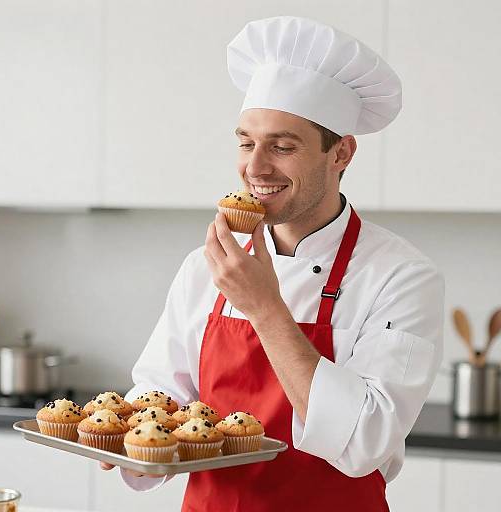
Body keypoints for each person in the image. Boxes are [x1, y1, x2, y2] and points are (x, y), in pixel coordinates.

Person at [101, 16, 444, 511]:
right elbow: (161, 395)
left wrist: (264, 306)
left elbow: (364, 442)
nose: (255, 168)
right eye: (246, 142)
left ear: (341, 153)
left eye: (282, 146)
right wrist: (129, 444)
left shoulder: (401, 277)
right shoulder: (206, 266)